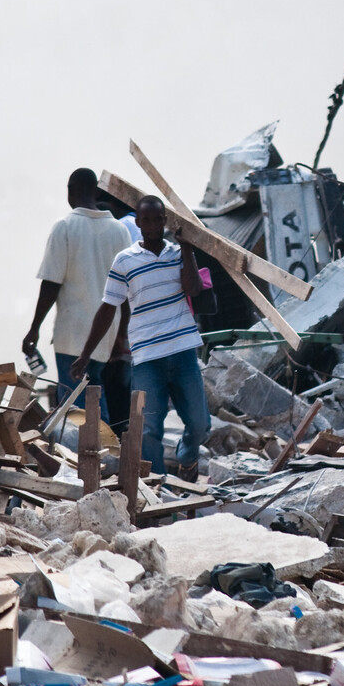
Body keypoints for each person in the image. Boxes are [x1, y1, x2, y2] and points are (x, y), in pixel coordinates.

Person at [72, 195, 210, 481]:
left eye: (157, 219)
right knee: (148, 431)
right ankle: (159, 489)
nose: (151, 225)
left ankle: (187, 457)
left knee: (200, 423)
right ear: (138, 223)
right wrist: (86, 354)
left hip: (183, 351)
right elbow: (108, 308)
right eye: (145, 220)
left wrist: (186, 249)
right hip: (147, 358)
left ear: (164, 222)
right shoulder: (125, 260)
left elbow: (194, 289)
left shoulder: (177, 253)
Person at [22, 168, 135, 413]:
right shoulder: (120, 231)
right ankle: (105, 448)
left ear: (69, 191)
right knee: (94, 394)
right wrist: (121, 334)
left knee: (76, 406)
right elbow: (127, 291)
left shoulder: (64, 227)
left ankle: (93, 450)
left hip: (72, 336)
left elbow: (51, 284)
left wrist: (34, 328)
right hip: (106, 333)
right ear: (95, 192)